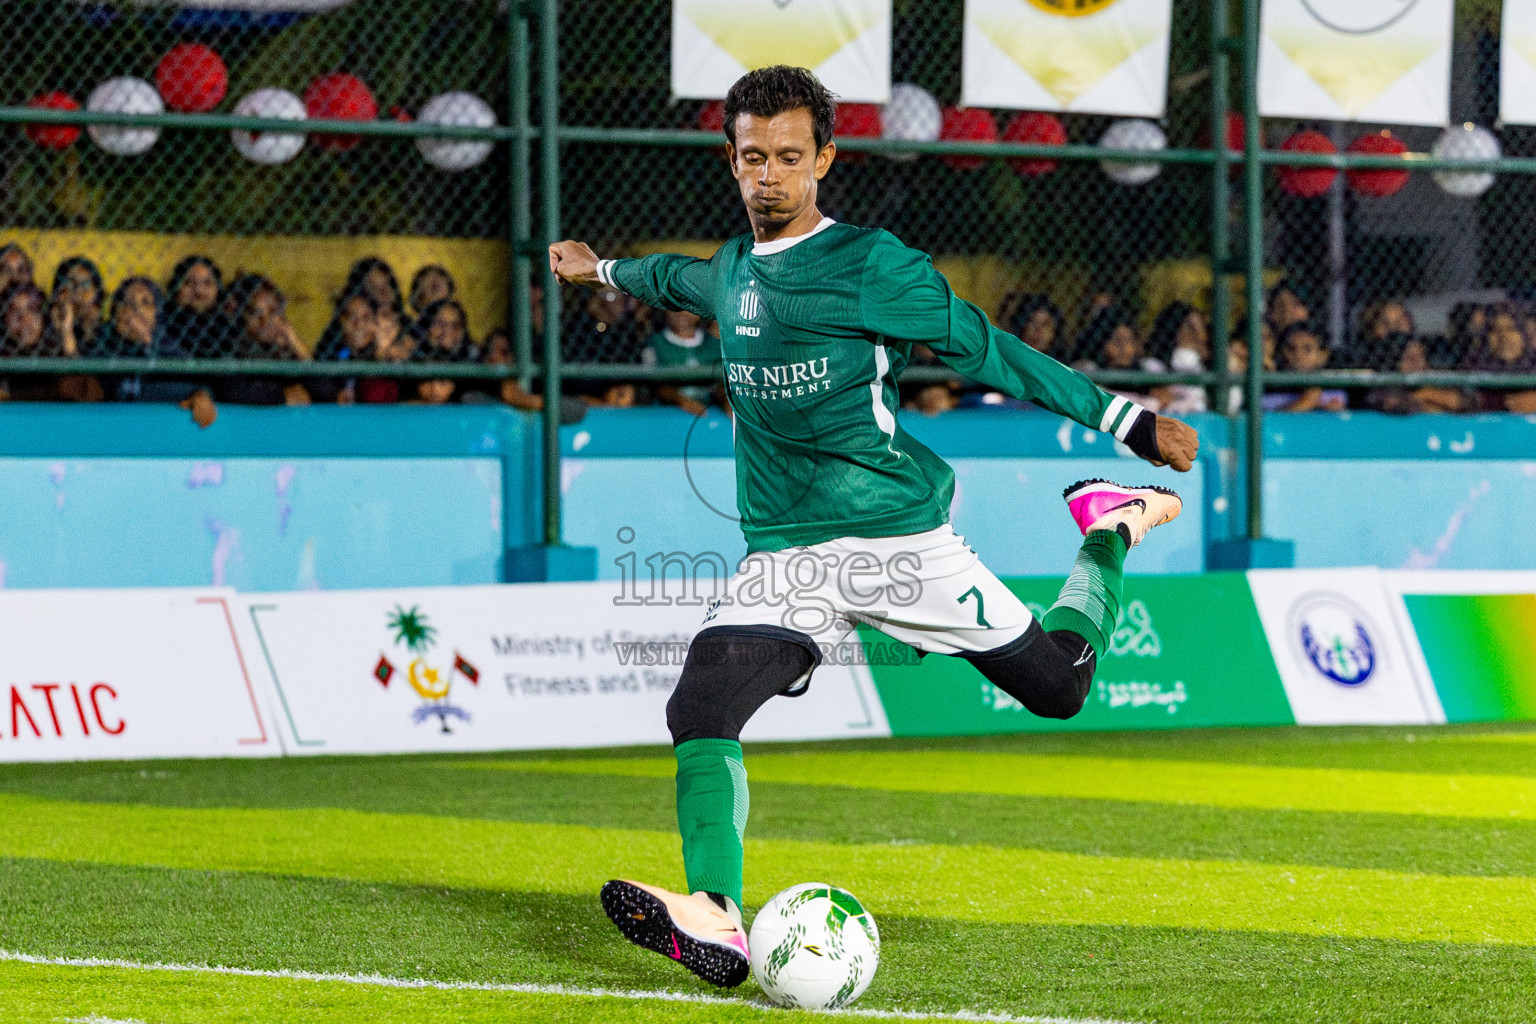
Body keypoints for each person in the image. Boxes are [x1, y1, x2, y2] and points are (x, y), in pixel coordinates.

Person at [548, 65, 1198, 989]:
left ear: (825, 159)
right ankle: (717, 914)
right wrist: (599, 268)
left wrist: (1128, 422)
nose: (768, 176)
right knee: (700, 705)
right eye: (752, 158)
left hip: (897, 539)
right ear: (730, 160)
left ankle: (1111, 526)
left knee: (1060, 687)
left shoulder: (871, 265)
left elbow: (986, 348)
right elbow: (675, 279)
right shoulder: (731, 270)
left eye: (788, 157)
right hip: (786, 553)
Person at [100, 277, 216, 426]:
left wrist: (148, 343)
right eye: (127, 302)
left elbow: (195, 380)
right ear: (116, 311)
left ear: (157, 314)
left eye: (145, 302)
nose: (135, 309)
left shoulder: (167, 345)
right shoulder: (101, 340)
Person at [217, 274, 312, 406]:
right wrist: (283, 396)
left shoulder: (282, 347)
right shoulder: (233, 347)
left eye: (272, 312)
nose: (265, 321)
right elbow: (233, 391)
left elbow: (319, 385)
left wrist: (293, 339)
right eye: (255, 313)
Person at [1364, 333, 1471, 414]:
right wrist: (1425, 402)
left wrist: (1426, 394)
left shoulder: (1435, 382)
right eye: (1408, 357)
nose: (1414, 362)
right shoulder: (1387, 385)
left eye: (1419, 357)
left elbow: (1458, 402)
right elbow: (1392, 403)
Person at [644, 308, 717, 415]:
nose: (681, 312)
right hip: (667, 414)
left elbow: (723, 386)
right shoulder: (654, 344)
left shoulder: (713, 345)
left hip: (710, 414)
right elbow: (656, 385)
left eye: (686, 306)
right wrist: (682, 401)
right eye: (675, 306)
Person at [1466, 303, 1536, 412]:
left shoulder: (1532, 362)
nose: (1503, 336)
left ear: (1524, 337)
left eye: (1511, 329)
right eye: (1495, 330)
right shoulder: (1476, 364)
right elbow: (1468, 400)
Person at [1265, 321, 1346, 411]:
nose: (1298, 356)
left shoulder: (1337, 389)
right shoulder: (1269, 386)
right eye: (1291, 348)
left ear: (1323, 355)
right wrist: (1306, 402)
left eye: (1307, 349)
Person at [1146, 301, 1209, 414]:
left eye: (1202, 328)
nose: (1202, 337)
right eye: (1191, 329)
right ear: (1174, 331)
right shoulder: (1153, 366)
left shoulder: (1205, 366)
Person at [164, 255, 234, 356]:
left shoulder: (227, 327)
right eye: (189, 282)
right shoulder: (163, 325)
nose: (199, 292)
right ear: (175, 288)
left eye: (207, 283)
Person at [411, 298, 477, 404]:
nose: (447, 330)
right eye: (440, 323)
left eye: (455, 326)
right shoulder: (413, 356)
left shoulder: (472, 358)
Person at [50, 256, 109, 356]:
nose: (78, 291)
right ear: (58, 293)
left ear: (97, 292)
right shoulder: (47, 333)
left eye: (85, 284)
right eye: (69, 284)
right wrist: (66, 331)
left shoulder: (108, 334)